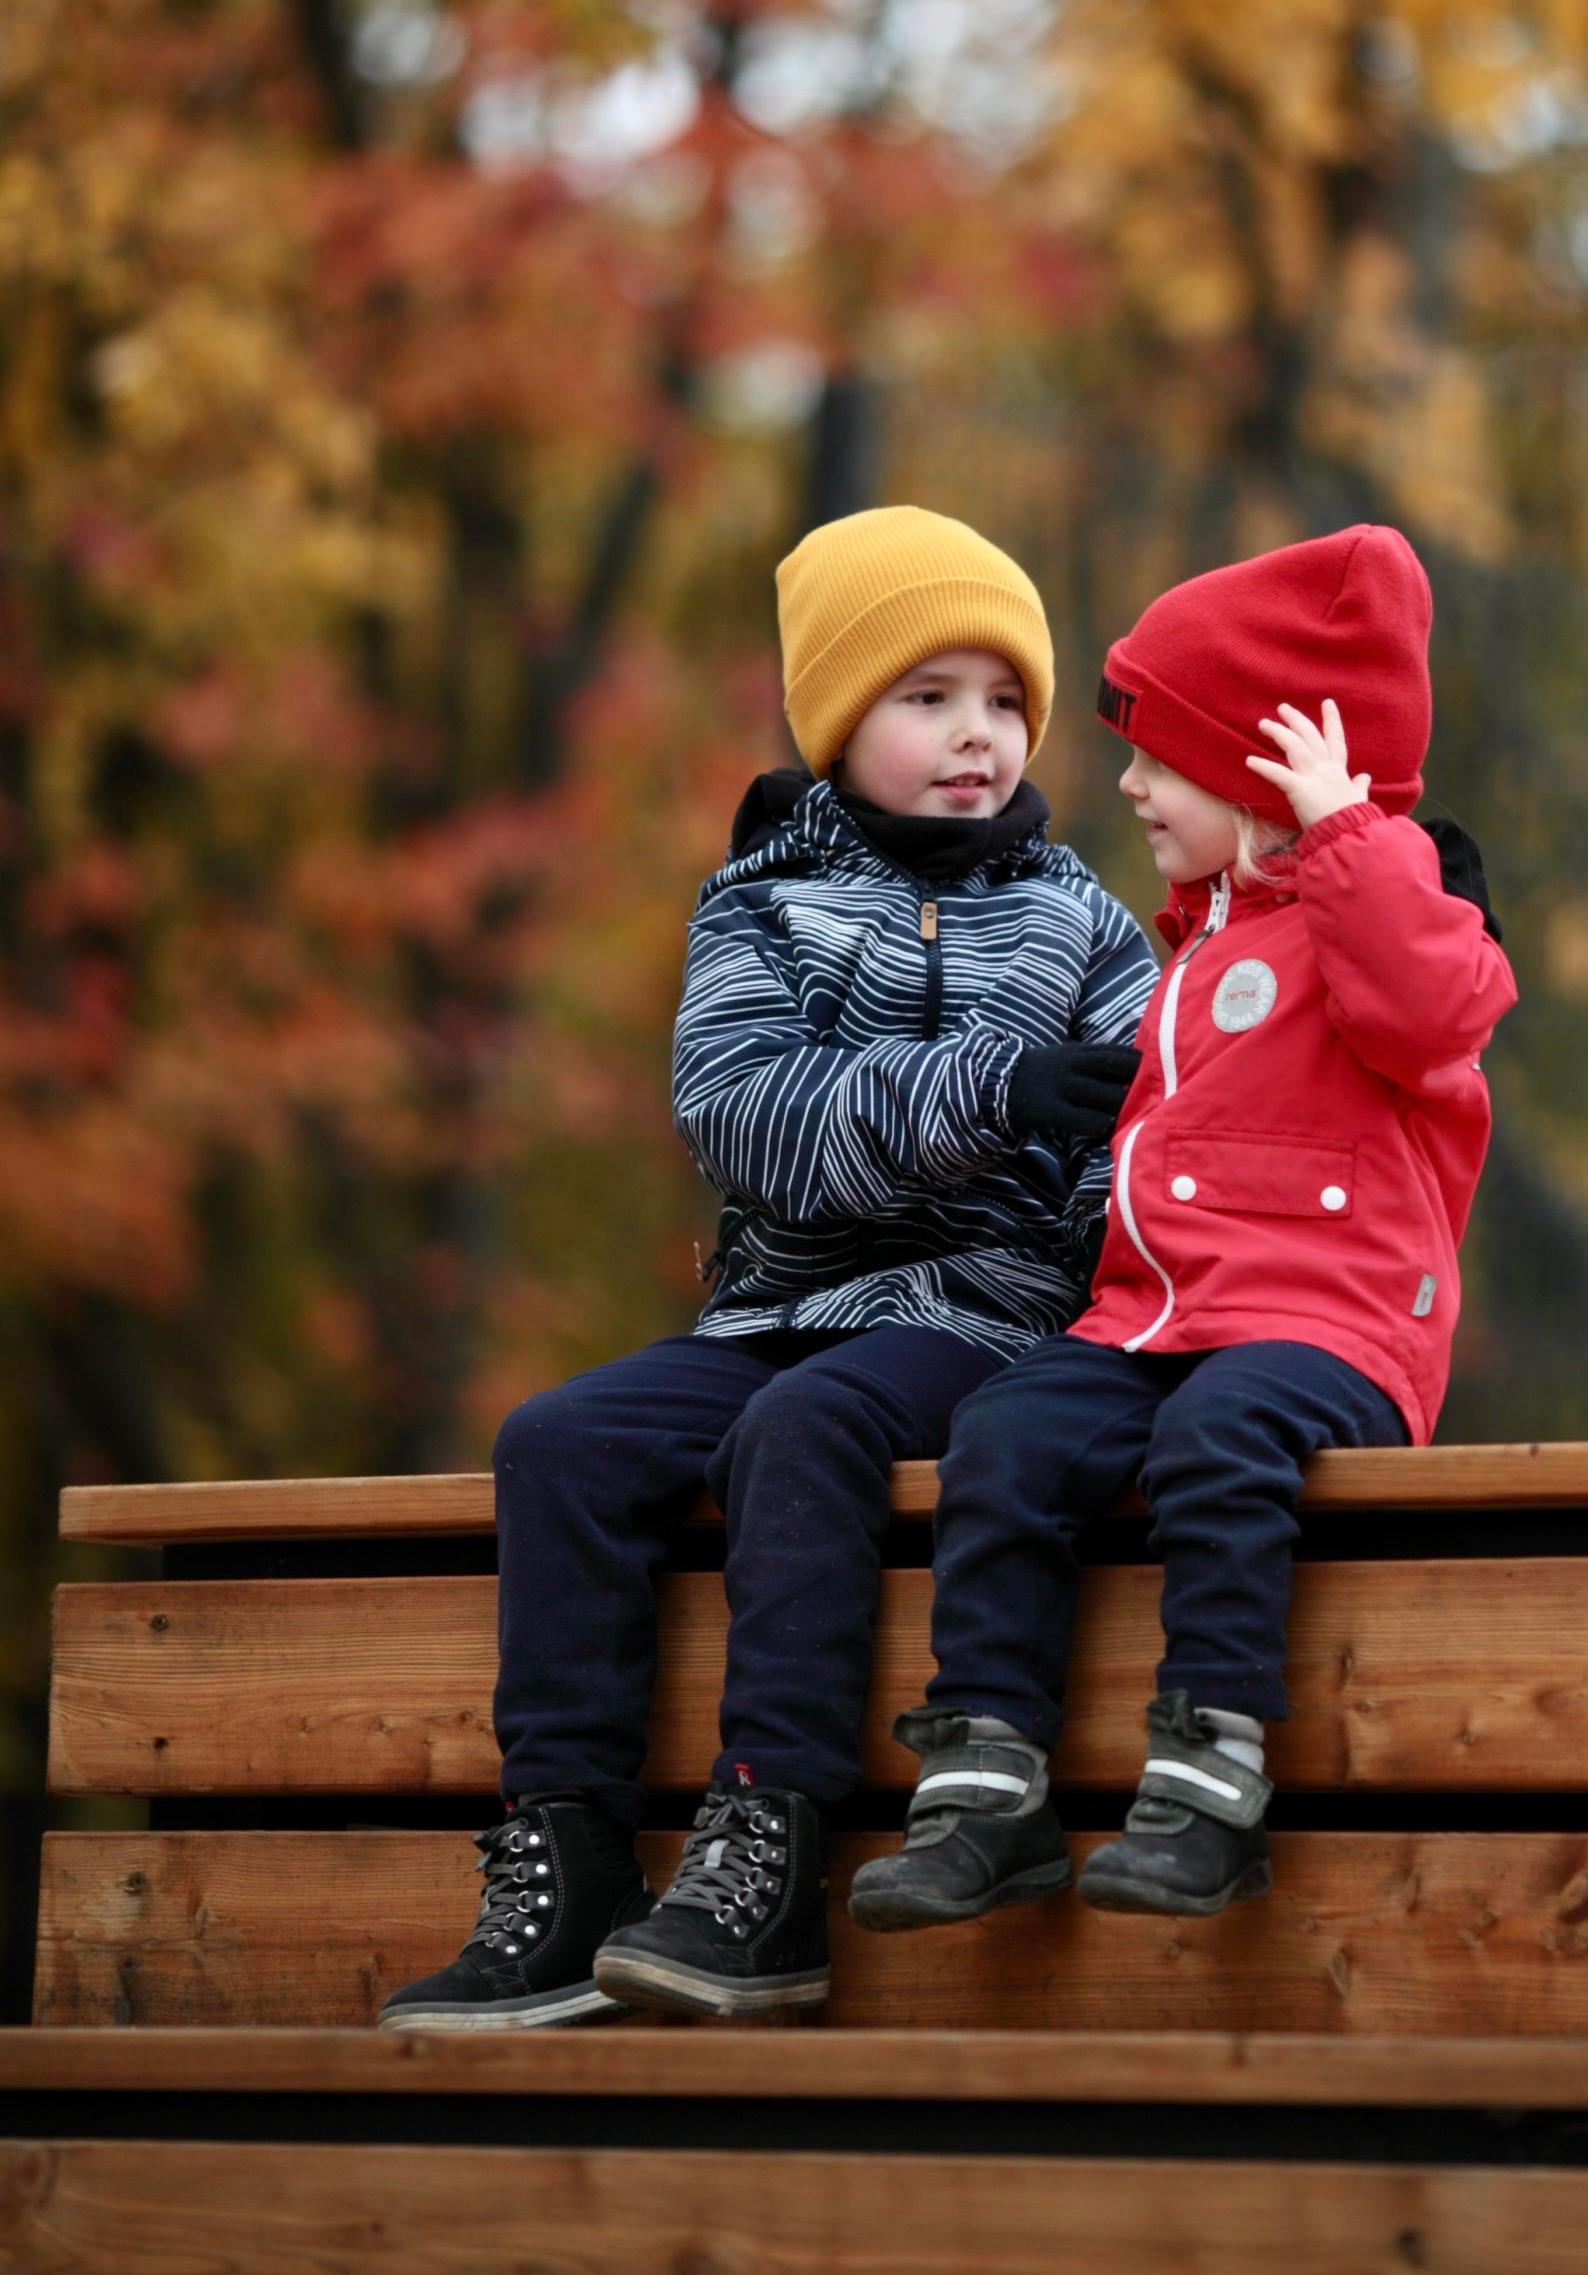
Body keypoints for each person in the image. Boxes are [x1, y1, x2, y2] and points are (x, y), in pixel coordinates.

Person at [377, 507, 1154, 2029]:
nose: (975, 736)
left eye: (1004, 701)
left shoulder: (1093, 932)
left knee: (800, 1428)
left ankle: (766, 1851)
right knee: (557, 1440)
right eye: (926, 698)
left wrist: (1056, 1215)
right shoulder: (760, 906)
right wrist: (988, 1093)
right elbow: (746, 1122)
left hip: (977, 1320)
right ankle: (570, 1855)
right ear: (836, 720)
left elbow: (1131, 1169)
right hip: (777, 1305)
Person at [847, 523, 1515, 1930]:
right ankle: (990, 1781)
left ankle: (1209, 1776)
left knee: (1220, 1439)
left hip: (1328, 1335)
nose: (1133, 782)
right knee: (1009, 1431)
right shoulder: (1201, 944)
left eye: (1165, 751)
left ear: (1272, 767)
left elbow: (1433, 1012)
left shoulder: (1395, 916)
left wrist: (1343, 838)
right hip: (1159, 1324)